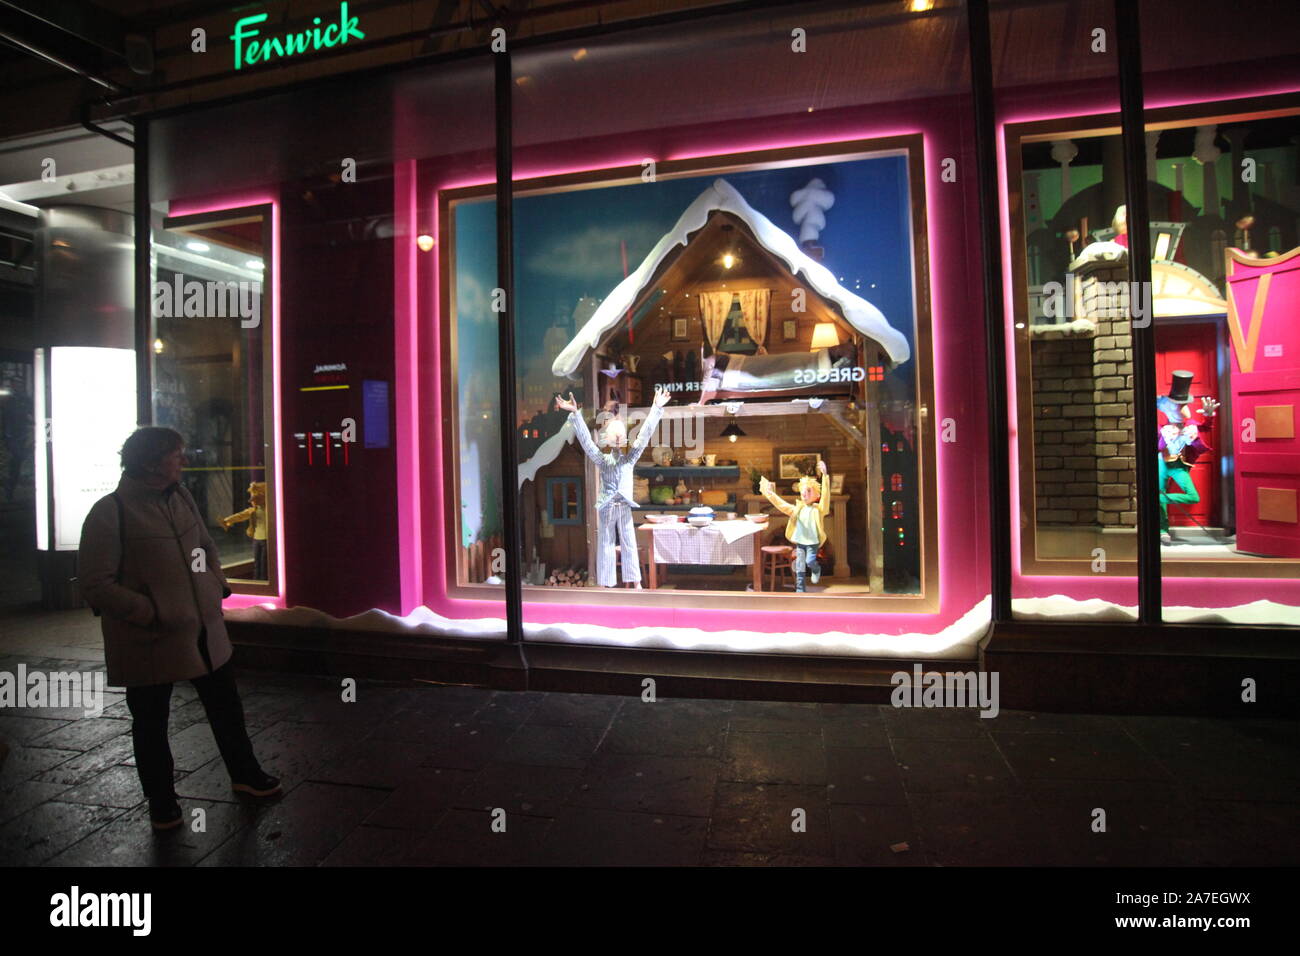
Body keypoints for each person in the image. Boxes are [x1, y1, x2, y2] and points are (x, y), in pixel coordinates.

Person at [78, 426, 279, 831]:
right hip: (149, 640)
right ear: (152, 463)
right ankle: (162, 802)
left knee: (226, 706)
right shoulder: (110, 512)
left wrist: (214, 585)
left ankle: (246, 773)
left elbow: (203, 545)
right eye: (176, 455)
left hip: (204, 628)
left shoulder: (180, 497)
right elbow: (96, 584)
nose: (183, 461)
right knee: (151, 721)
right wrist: (151, 611)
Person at [556, 385, 670, 588]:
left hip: (624, 505)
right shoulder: (603, 460)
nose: (618, 441)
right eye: (614, 437)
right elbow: (586, 443)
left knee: (629, 541)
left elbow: (644, 435)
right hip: (607, 506)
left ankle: (636, 582)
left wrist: (656, 408)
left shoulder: (629, 459)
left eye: (620, 437)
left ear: (624, 439)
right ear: (608, 439)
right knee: (606, 543)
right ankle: (605, 583)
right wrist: (575, 414)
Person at [1156, 370, 1219, 545]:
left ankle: (1159, 498)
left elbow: (1206, 427)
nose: (1181, 408)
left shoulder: (1190, 426)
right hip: (1161, 462)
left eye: (1182, 404)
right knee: (1160, 495)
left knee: (1193, 496)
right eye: (1176, 405)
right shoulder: (1163, 428)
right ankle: (1162, 530)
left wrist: (1208, 415)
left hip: (1179, 466)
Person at [760, 459, 830, 592]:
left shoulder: (819, 509)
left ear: (816, 494)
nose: (805, 494)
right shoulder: (797, 509)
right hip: (800, 542)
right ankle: (800, 590)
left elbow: (826, 497)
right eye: (803, 492)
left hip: (813, 542)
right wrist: (771, 494)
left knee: (810, 561)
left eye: (808, 492)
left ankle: (816, 569)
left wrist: (825, 477)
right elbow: (781, 505)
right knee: (800, 565)